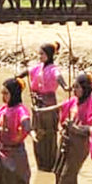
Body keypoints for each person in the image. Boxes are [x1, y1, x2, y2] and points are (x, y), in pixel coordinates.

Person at [38, 73, 92, 184]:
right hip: (65, 140)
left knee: (67, 177)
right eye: (73, 87)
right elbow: (59, 106)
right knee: (58, 174)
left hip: (79, 144)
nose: (74, 90)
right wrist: (40, 111)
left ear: (85, 88)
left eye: (77, 87)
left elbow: (91, 127)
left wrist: (75, 128)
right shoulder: (74, 100)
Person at [17, 43, 68, 172]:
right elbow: (26, 72)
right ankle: (41, 163)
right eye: (39, 54)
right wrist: (17, 76)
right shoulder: (38, 67)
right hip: (37, 103)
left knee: (49, 133)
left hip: (49, 102)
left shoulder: (53, 69)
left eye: (42, 54)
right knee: (37, 131)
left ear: (49, 55)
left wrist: (65, 86)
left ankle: (50, 162)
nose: (40, 56)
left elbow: (59, 78)